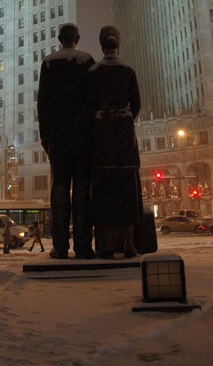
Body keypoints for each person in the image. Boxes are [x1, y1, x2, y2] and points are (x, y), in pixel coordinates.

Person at [38, 23, 95, 259]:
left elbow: (43, 105)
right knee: (83, 189)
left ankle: (60, 246)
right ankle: (83, 245)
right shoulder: (87, 60)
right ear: (77, 39)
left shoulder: (50, 63)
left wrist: (46, 138)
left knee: (59, 188)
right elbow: (94, 100)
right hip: (83, 137)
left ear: (59, 38)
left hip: (58, 138)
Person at [87, 25, 143, 259]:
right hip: (124, 135)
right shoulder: (128, 70)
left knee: (104, 191)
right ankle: (129, 244)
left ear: (101, 45)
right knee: (128, 189)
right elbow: (136, 104)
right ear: (118, 43)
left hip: (102, 137)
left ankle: (107, 246)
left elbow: (88, 105)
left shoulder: (93, 72)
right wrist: (125, 116)